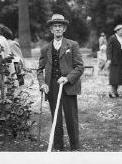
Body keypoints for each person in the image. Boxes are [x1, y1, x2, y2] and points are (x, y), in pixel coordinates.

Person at [37, 14, 84, 151]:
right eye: (55, 26)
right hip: (52, 86)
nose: (57, 29)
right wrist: (42, 84)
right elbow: (40, 70)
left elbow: (79, 66)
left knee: (71, 117)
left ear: (64, 29)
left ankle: (75, 146)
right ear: (51, 29)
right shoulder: (45, 49)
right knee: (55, 117)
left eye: (60, 26)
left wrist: (68, 78)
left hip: (68, 86)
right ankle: (58, 146)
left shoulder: (72, 45)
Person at [106, 24, 122, 98]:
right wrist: (109, 59)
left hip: (121, 61)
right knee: (114, 78)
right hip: (114, 61)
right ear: (117, 30)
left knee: (119, 78)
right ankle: (111, 92)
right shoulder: (112, 38)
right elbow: (108, 50)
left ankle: (115, 91)